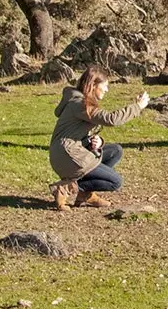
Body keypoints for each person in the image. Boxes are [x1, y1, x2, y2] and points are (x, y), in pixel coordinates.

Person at [49, 66, 150, 211]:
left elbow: (78, 131)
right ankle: (66, 188)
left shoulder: (80, 102)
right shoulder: (80, 104)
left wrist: (98, 140)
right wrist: (137, 106)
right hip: (68, 156)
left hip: (69, 152)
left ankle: (85, 195)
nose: (107, 90)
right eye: (105, 86)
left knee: (115, 151)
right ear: (93, 85)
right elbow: (111, 119)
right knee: (116, 182)